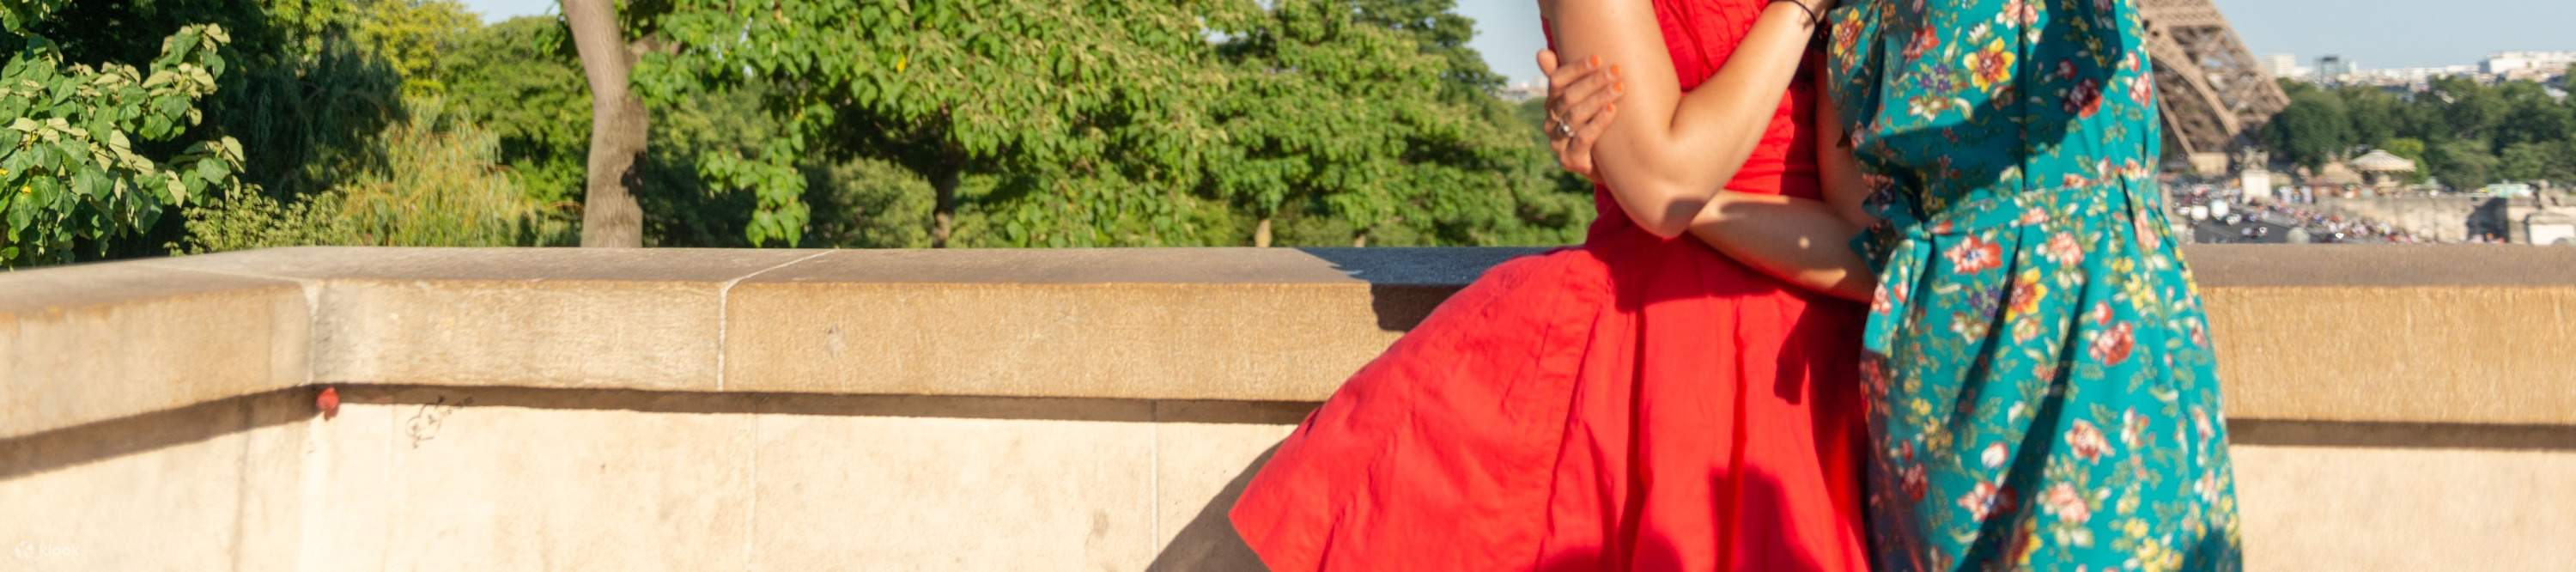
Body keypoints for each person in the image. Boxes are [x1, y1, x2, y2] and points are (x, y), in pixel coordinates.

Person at [1544, 0, 2247, 568]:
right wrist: (1654, 187)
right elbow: (1870, 242)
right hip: (1937, 384)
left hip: (2106, 344)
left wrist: (1663, 192)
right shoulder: (1852, 19)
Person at [1226, 0, 1884, 569]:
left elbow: (1860, 245)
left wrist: (1649, 185)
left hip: (1815, 365)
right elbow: (1663, 188)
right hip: (1655, 358)